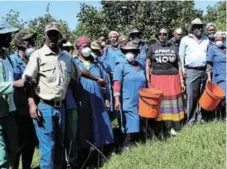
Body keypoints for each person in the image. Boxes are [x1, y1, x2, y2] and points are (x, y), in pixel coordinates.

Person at [23, 22, 81, 169]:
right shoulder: (38, 55)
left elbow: (76, 77)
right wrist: (31, 103)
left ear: (60, 36)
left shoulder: (66, 58)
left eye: (55, 34)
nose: (53, 37)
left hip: (61, 107)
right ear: (45, 36)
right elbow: (28, 81)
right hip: (44, 108)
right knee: (48, 149)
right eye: (50, 34)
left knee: (60, 147)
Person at [74, 36, 114, 167]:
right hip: (82, 100)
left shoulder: (96, 63)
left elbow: (104, 82)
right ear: (78, 49)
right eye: (83, 46)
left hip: (98, 100)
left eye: (88, 46)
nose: (86, 48)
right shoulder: (74, 62)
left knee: (100, 124)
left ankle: (101, 154)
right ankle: (84, 157)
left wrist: (107, 98)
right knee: (84, 127)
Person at [146, 27, 185, 136]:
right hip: (157, 79)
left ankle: (173, 126)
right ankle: (162, 129)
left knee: (173, 103)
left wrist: (181, 80)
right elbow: (147, 65)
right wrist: (148, 79)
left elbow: (179, 64)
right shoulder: (152, 47)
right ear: (157, 35)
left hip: (173, 78)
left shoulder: (173, 47)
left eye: (164, 34)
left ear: (168, 35)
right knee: (160, 103)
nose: (162, 36)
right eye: (160, 34)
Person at [10, 29, 37, 169]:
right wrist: (22, 82)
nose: (32, 43)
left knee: (30, 142)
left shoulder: (33, 59)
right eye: (28, 40)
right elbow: (9, 83)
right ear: (20, 43)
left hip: (33, 107)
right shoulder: (12, 61)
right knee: (18, 143)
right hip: (18, 107)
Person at [0, 19, 24, 169]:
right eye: (6, 34)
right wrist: (14, 84)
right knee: (1, 155)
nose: (10, 38)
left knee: (14, 149)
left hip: (10, 110)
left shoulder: (6, 55)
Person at [113, 41, 146, 150]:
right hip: (127, 99)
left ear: (136, 53)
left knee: (139, 120)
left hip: (141, 99)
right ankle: (127, 144)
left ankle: (136, 142)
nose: (130, 53)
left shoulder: (140, 66)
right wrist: (117, 99)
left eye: (132, 51)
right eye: (127, 51)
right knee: (132, 120)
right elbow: (117, 84)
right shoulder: (120, 66)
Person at [179, 18, 209, 126]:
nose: (199, 29)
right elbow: (181, 57)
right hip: (191, 71)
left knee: (202, 95)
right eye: (196, 27)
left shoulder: (206, 39)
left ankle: (200, 118)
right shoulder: (185, 39)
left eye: (200, 27)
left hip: (203, 70)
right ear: (192, 28)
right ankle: (190, 120)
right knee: (191, 96)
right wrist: (183, 71)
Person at [206, 32, 226, 120]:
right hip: (218, 77)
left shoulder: (225, 48)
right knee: (219, 98)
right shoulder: (212, 49)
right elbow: (209, 65)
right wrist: (209, 77)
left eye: (221, 39)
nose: (219, 41)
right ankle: (217, 117)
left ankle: (224, 117)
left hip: (226, 76)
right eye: (217, 39)